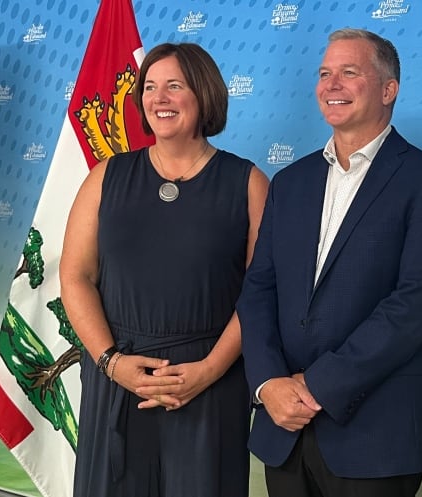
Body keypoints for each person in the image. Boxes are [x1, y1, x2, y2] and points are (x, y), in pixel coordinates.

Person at [236, 28, 422, 497]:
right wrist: (268, 384)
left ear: (388, 88)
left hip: (375, 435)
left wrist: (318, 386)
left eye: (349, 72)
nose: (331, 84)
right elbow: (258, 290)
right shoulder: (291, 181)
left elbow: (414, 304)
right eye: (324, 73)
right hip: (285, 430)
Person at [60, 42, 269, 497]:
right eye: (150, 87)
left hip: (207, 385)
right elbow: (75, 276)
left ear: (205, 94)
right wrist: (112, 363)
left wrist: (208, 371)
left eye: (175, 85)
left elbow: (260, 295)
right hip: (118, 374)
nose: (159, 98)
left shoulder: (248, 183)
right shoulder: (105, 176)